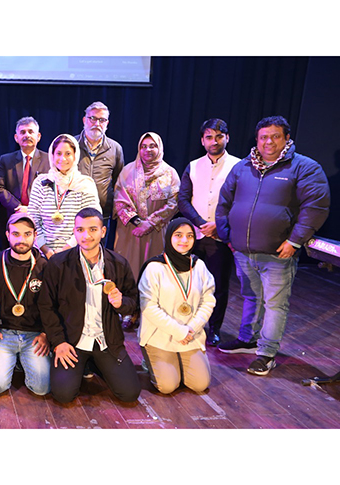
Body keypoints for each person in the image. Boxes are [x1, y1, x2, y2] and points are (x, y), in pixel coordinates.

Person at [216, 115, 330, 375]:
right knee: (250, 297)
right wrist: (228, 237)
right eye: (263, 137)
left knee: (275, 305)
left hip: (279, 254)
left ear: (286, 138)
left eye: (275, 136)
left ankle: (266, 354)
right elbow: (224, 203)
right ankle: (248, 339)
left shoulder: (304, 167)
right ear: (257, 140)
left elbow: (316, 207)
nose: (269, 142)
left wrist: (294, 241)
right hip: (243, 251)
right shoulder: (243, 167)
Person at [38, 208, 141, 403]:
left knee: (129, 393)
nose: (86, 236)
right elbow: (46, 306)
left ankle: (95, 364)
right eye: (80, 230)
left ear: (103, 231)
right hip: (72, 342)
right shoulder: (58, 264)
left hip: (106, 341)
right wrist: (59, 342)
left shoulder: (119, 263)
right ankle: (84, 364)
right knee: (63, 395)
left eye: (93, 229)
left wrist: (121, 304)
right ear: (74, 232)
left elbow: (133, 301)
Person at [177, 119, 240, 346]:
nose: (214, 141)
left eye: (219, 136)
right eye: (209, 137)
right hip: (193, 236)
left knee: (218, 285)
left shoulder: (239, 166)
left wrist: (218, 224)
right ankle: (186, 324)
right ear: (202, 141)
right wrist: (201, 223)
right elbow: (183, 199)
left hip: (220, 237)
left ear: (227, 138)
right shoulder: (193, 166)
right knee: (187, 283)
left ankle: (214, 329)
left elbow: (241, 202)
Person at [138, 218, 214, 394]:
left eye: (189, 236)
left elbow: (208, 301)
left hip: (190, 335)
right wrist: (179, 331)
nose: (184, 240)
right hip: (160, 336)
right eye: (178, 235)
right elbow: (149, 307)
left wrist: (191, 329)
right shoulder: (154, 267)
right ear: (169, 237)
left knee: (200, 385)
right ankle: (149, 360)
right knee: (167, 387)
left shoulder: (199, 266)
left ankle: (178, 361)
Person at [113, 132, 180, 329]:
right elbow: (119, 198)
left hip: (156, 232)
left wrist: (149, 223)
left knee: (153, 273)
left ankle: (150, 313)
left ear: (160, 148)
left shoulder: (170, 173)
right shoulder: (127, 171)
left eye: (152, 146)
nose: (148, 150)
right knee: (128, 270)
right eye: (144, 146)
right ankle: (128, 311)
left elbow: (174, 202)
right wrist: (137, 223)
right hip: (130, 232)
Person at [0, 212, 50, 396]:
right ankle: (15, 361)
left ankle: (21, 360)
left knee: (41, 388)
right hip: (2, 332)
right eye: (16, 234)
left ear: (35, 235)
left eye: (27, 234)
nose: (21, 240)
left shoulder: (45, 266)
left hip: (34, 335)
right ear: (7, 235)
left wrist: (46, 333)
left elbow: (53, 304)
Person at [27, 133, 101, 259]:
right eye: (59, 153)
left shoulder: (85, 184)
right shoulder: (41, 182)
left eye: (68, 154)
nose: (63, 159)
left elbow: (90, 221)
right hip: (42, 254)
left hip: (75, 253)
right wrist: (46, 250)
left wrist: (65, 250)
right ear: (52, 155)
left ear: (75, 156)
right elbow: (33, 218)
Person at [74, 101, 124, 248]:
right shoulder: (71, 144)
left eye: (102, 120)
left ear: (107, 123)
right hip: (73, 212)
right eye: (93, 118)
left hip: (102, 214)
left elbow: (118, 181)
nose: (97, 123)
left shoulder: (115, 148)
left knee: (97, 253)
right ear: (84, 120)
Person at [0, 116, 50, 247]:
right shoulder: (6, 160)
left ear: (38, 136)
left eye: (31, 132)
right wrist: (19, 207)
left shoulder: (49, 160)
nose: (27, 135)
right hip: (11, 217)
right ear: (16, 137)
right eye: (23, 132)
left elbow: (52, 190)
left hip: (40, 220)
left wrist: (30, 209)